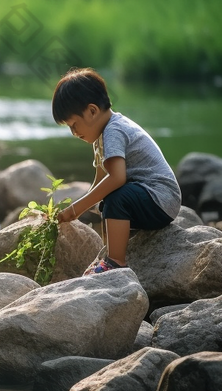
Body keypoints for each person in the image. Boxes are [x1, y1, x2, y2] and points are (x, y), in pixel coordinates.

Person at [52, 67, 181, 274]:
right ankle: (111, 254)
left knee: (116, 198)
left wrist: (75, 209)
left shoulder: (114, 131)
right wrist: (81, 209)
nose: (74, 132)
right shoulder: (101, 138)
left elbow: (117, 178)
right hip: (151, 198)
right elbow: (100, 181)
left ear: (92, 111)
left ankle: (116, 262)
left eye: (74, 124)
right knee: (107, 201)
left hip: (161, 199)